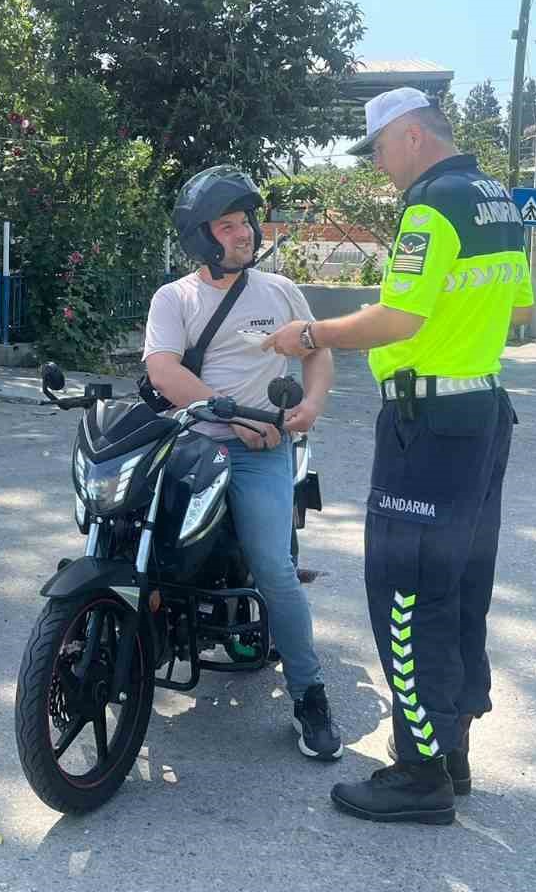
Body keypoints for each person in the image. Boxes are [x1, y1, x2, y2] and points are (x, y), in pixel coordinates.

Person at [261, 87, 530, 824]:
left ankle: (418, 775)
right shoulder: (496, 201)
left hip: (429, 421)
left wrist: (310, 336)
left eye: (378, 150)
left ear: (411, 136)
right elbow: (520, 310)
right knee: (461, 585)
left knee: (405, 592)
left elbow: (397, 316)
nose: (378, 167)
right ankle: (454, 749)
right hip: (483, 412)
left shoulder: (432, 204)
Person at [142, 165, 344, 762]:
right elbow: (164, 370)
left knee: (272, 567)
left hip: (262, 451)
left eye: (246, 223)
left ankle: (309, 697)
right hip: (192, 441)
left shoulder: (280, 293)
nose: (244, 234)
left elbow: (318, 354)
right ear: (202, 237)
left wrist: (310, 405)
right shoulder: (173, 297)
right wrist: (227, 416)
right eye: (227, 226)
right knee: (141, 538)